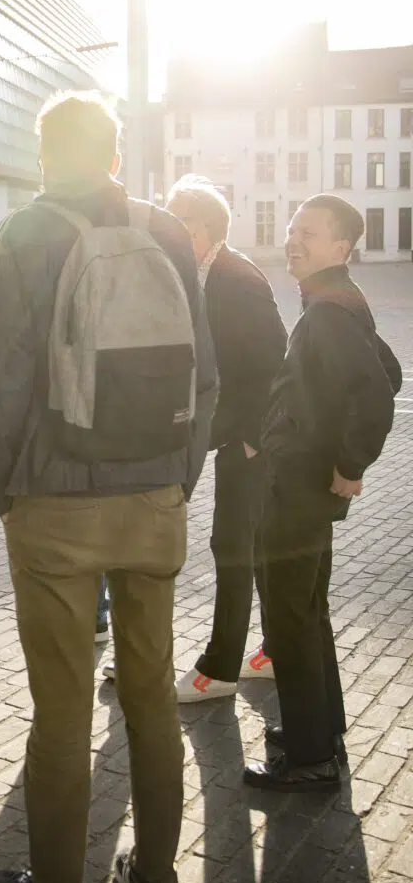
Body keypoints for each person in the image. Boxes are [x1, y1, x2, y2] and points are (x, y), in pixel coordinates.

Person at [0, 92, 216, 883]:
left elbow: (1, 376)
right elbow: (205, 373)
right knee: (151, 698)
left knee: (63, 710)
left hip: (55, 502)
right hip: (155, 500)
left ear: (43, 157)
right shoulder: (169, 232)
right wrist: (178, 478)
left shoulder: (22, 235)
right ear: (115, 156)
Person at [243, 195, 400, 793]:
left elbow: (377, 394)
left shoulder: (330, 311)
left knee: (289, 615)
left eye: (308, 233)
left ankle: (309, 758)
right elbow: (389, 372)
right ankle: (319, 732)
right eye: (292, 229)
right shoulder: (338, 300)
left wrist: (349, 463)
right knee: (307, 611)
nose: (293, 240)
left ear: (340, 247)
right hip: (305, 482)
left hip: (299, 487)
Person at [166, 176, 287, 702]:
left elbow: (275, 361)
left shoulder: (237, 277)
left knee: (232, 544)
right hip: (225, 430)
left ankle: (219, 668)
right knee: (251, 547)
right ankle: (277, 649)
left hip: (250, 436)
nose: (172, 231)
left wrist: (253, 437)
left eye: (182, 222)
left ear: (208, 229)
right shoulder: (196, 272)